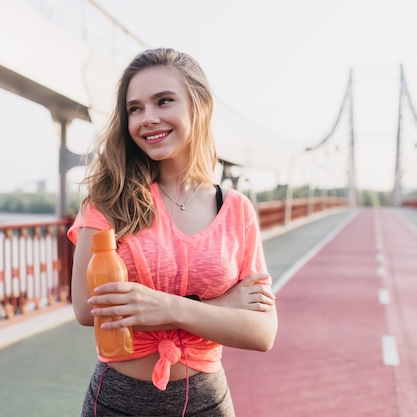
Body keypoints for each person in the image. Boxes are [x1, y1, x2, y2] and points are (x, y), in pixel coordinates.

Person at [67, 47, 278, 417]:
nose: (148, 118)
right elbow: (89, 307)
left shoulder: (236, 210)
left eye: (163, 102)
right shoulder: (109, 198)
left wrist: (166, 308)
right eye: (135, 108)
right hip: (118, 402)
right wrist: (219, 308)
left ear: (200, 106)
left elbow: (262, 332)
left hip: (206, 402)